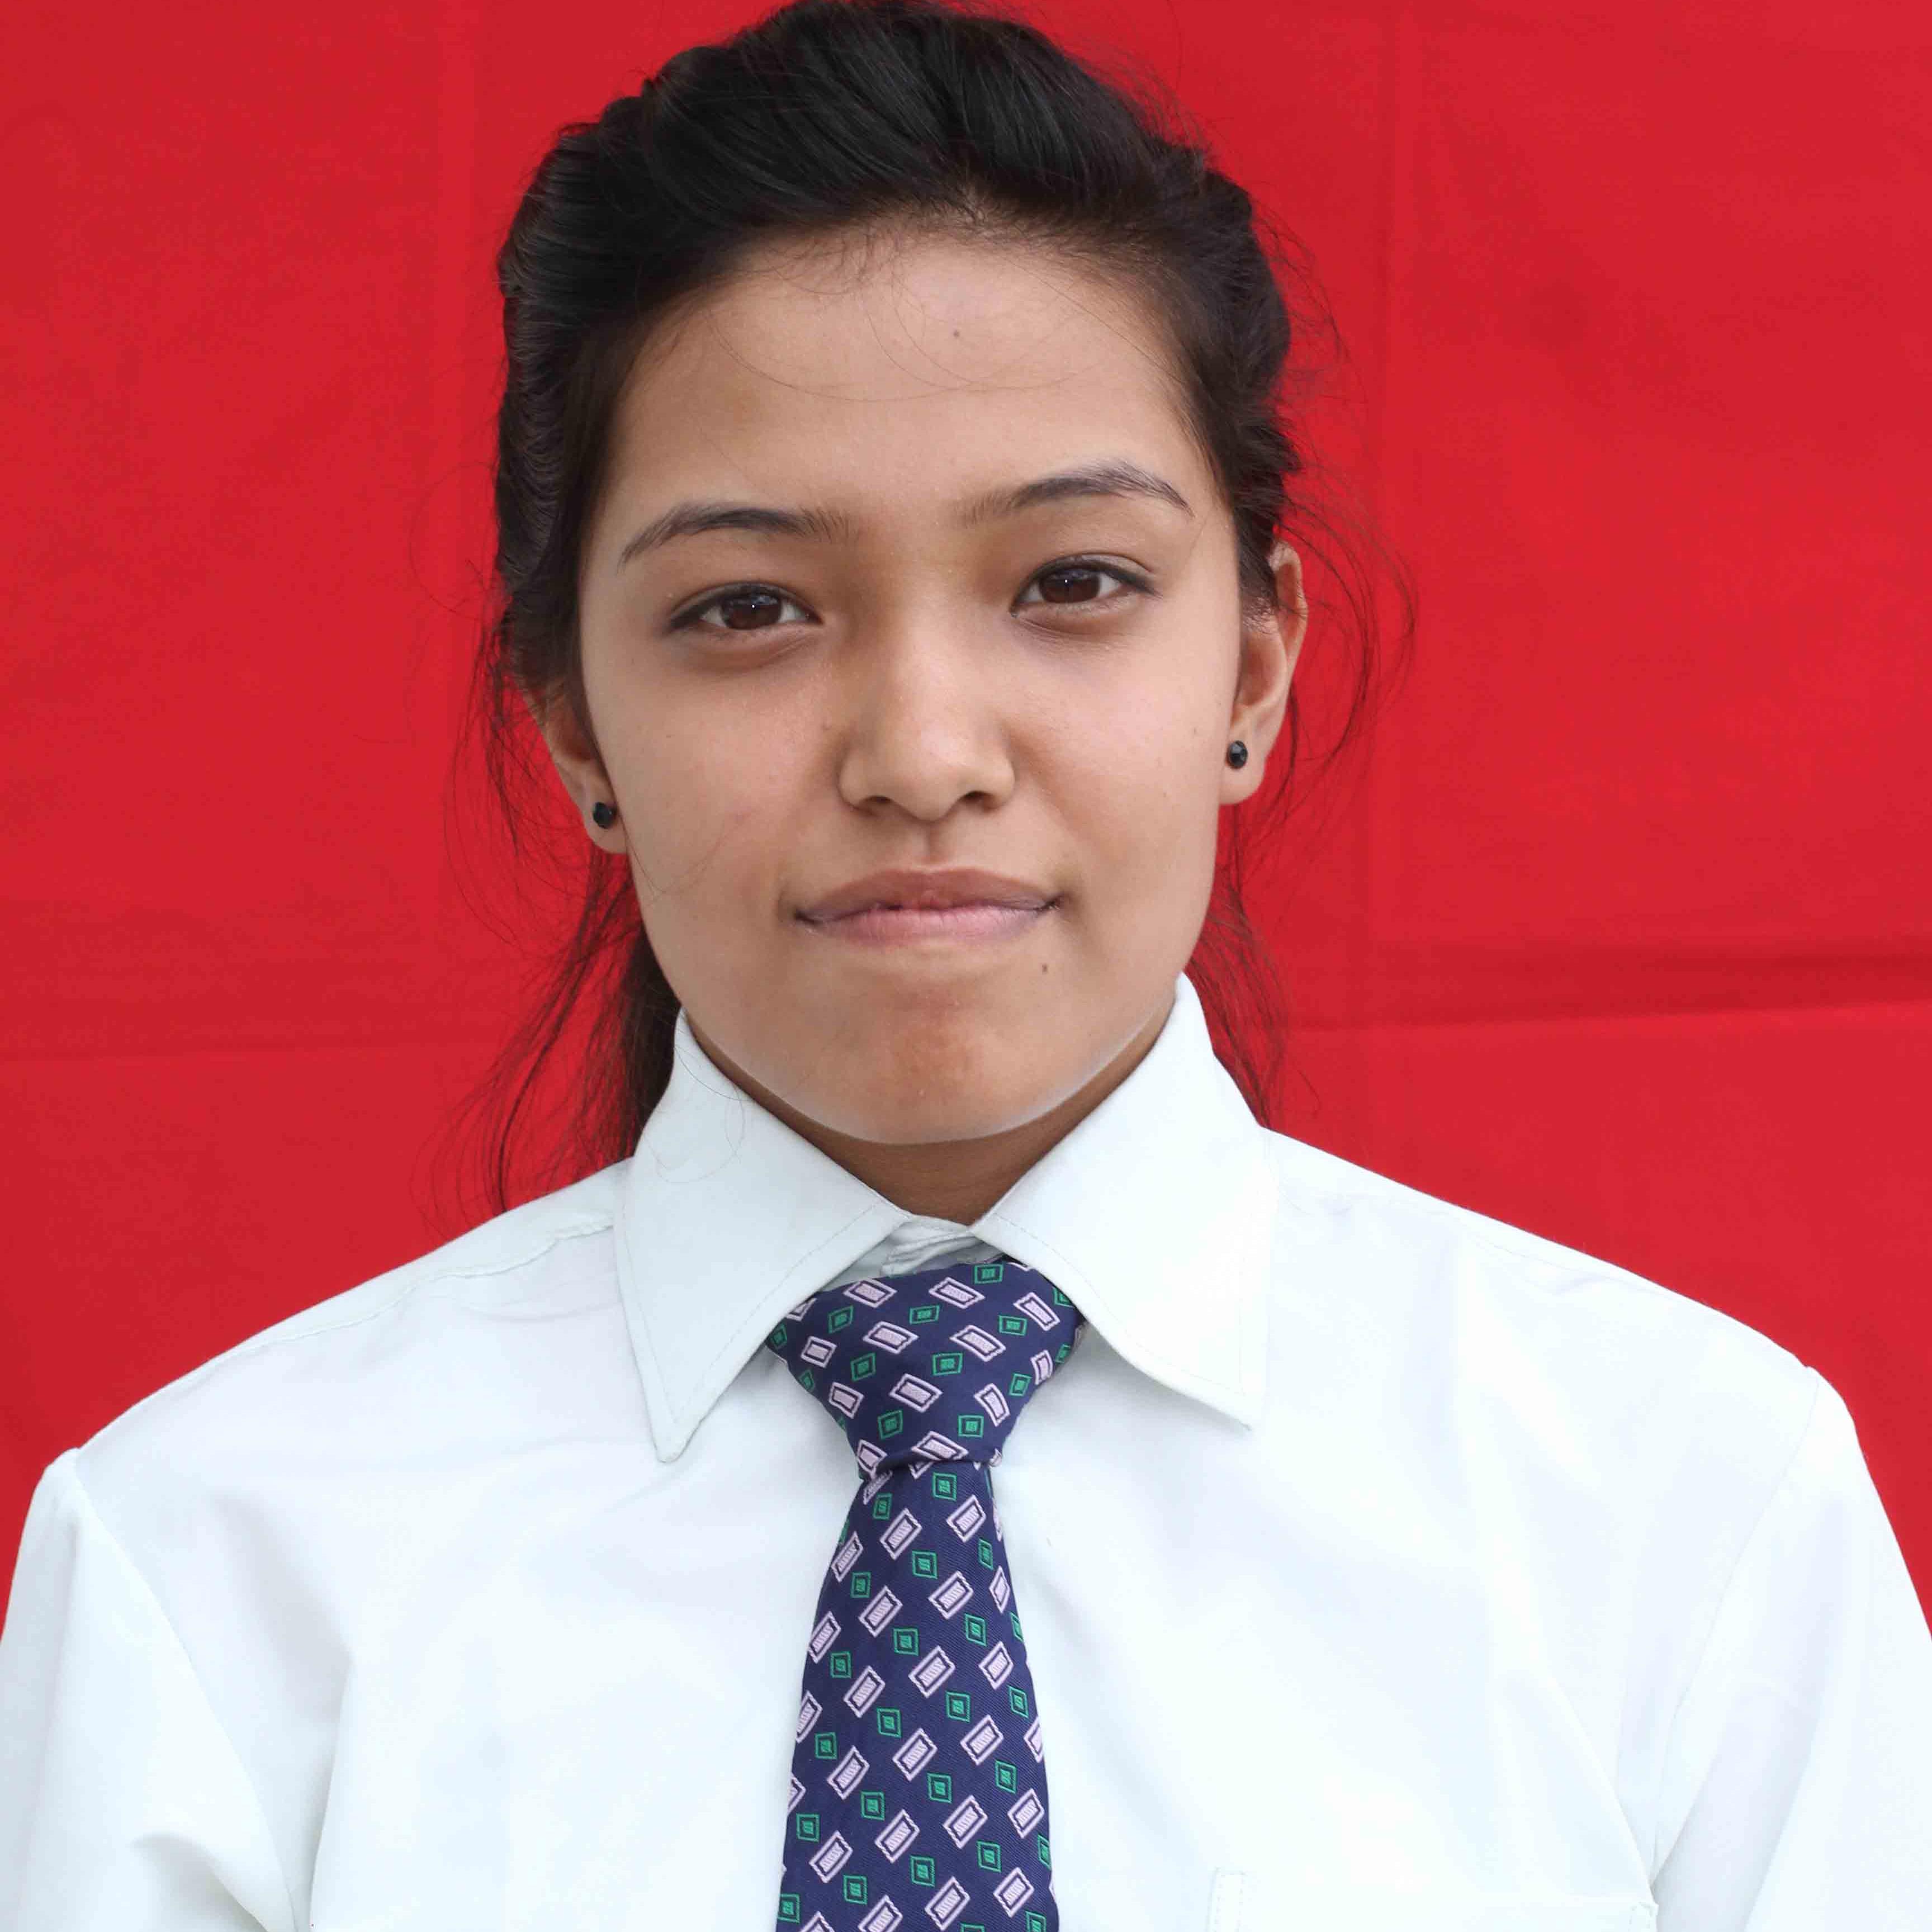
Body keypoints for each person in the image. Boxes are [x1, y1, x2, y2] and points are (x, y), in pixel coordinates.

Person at [2, 1, 1928, 1926]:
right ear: (574, 719)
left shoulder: (1688, 1519)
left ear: (1254, 664)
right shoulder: (214, 1575)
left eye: (1074, 582)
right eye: (746, 608)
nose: (923, 755)